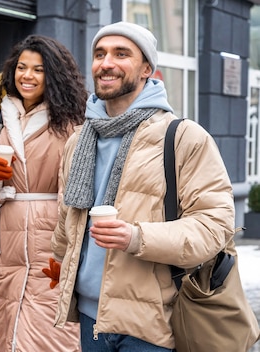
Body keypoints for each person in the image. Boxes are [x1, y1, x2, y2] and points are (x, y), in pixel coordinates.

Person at [48, 21, 236, 351]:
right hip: (91, 318)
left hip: (153, 324)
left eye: (122, 54)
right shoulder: (79, 140)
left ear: (147, 68)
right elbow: (68, 215)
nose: (106, 63)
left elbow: (215, 226)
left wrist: (136, 237)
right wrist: (61, 259)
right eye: (99, 54)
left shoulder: (183, 137)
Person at [0, 34, 87, 351]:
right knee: (7, 328)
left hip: (51, 245)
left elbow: (78, 192)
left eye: (38, 69)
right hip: (5, 244)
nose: (27, 76)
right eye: (22, 67)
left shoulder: (73, 124)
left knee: (52, 335)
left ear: (54, 76)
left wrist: (69, 251)